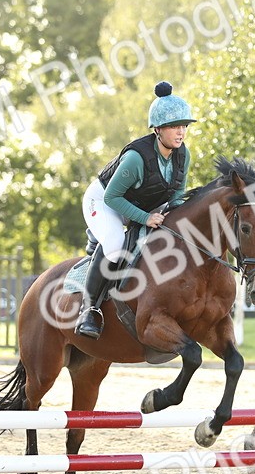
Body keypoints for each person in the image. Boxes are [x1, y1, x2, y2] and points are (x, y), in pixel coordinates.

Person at [75, 81, 196, 339]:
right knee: (116, 241)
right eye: (175, 126)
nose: (181, 132)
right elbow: (112, 197)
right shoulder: (136, 158)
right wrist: (144, 218)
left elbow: (175, 193)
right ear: (158, 129)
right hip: (105, 201)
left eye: (184, 126)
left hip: (141, 202)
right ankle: (90, 310)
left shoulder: (182, 155)